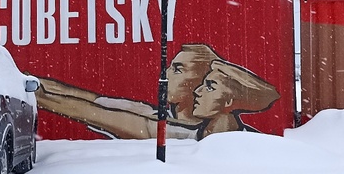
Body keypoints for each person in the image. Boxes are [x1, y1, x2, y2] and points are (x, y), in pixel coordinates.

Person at [35, 43, 222, 139]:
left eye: (177, 70)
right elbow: (98, 100)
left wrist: (39, 97)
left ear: (201, 81)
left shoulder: (189, 134)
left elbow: (96, 113)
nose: (165, 74)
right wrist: (34, 82)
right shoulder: (164, 115)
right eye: (169, 67)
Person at [191, 60, 280, 138]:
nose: (197, 91)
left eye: (209, 88)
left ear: (229, 101)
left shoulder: (253, 143)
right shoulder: (186, 141)